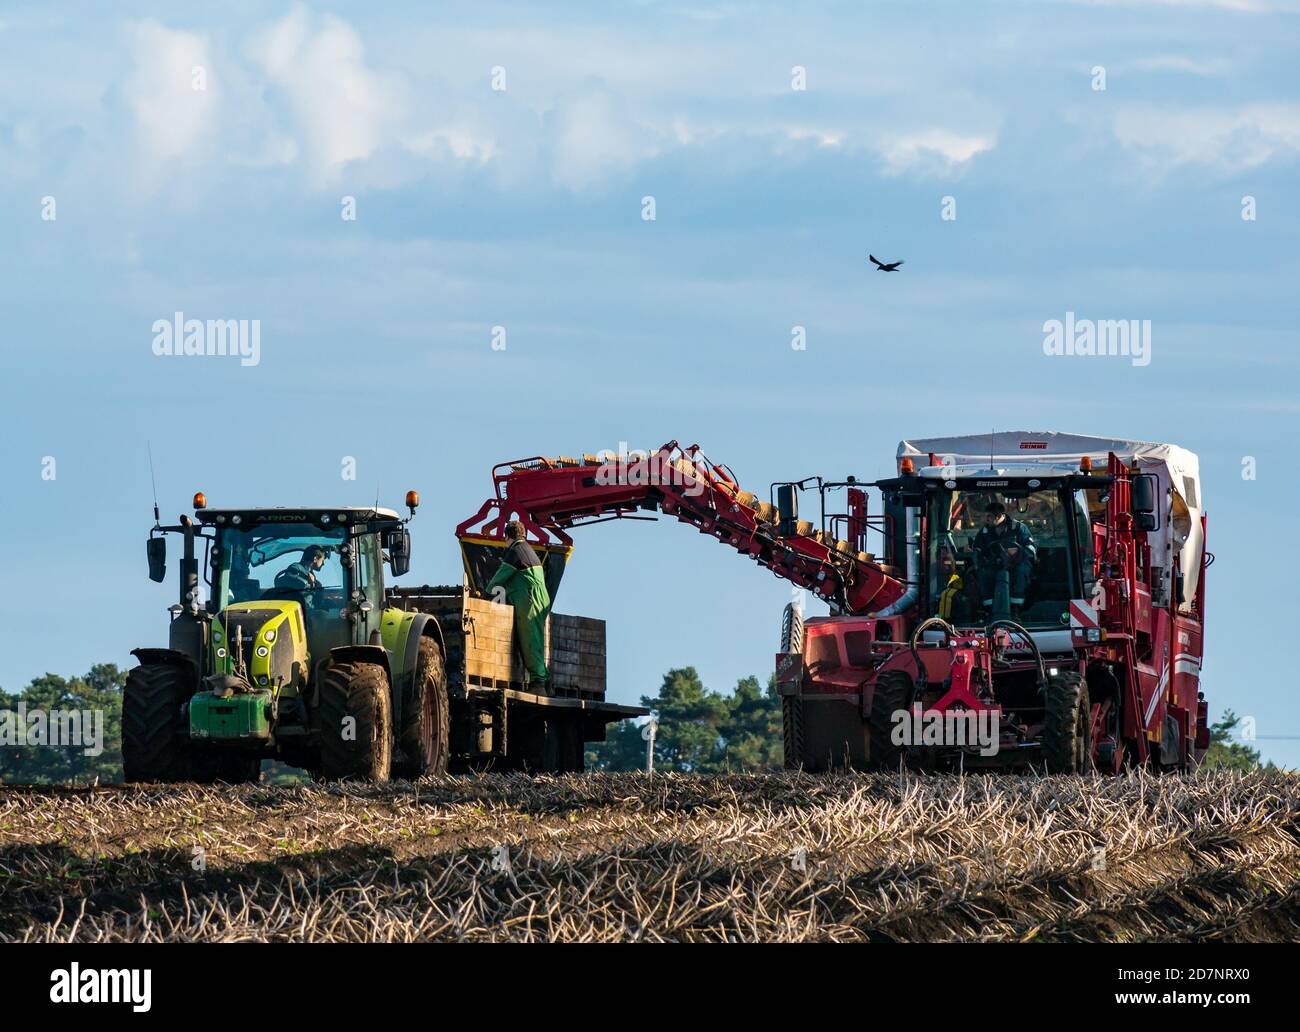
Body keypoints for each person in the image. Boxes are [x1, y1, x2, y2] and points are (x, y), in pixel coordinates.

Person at [485, 521, 552, 687]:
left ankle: (539, 682)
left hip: (530, 599)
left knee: (531, 640)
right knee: (535, 639)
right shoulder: (528, 549)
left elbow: (499, 578)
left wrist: (486, 594)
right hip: (539, 598)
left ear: (508, 536)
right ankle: (542, 679)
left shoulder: (515, 551)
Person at [972, 502, 1036, 619]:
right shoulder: (984, 532)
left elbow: (1031, 548)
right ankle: (989, 610)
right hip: (993, 566)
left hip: (1015, 566)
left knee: (1022, 571)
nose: (986, 520)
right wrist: (977, 559)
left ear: (998, 517)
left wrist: (1018, 556)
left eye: (989, 517)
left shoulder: (1019, 528)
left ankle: (1016, 609)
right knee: (984, 574)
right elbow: (977, 549)